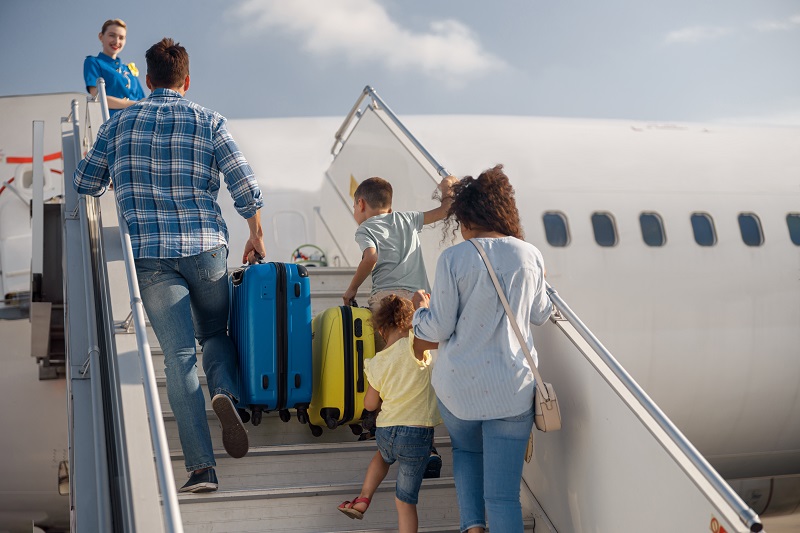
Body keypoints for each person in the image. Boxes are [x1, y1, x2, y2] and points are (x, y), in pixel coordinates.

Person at [74, 37, 266, 493]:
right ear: (186, 79)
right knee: (215, 334)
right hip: (205, 250)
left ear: (148, 79)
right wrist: (256, 234)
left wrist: (119, 181)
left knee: (178, 358)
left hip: (151, 257)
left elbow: (84, 181)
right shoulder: (209, 120)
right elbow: (245, 186)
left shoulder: (120, 125)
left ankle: (201, 469)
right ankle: (225, 391)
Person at [411, 165, 552, 533]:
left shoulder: (454, 259)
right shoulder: (530, 255)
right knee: (503, 497)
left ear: (468, 217)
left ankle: (472, 529)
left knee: (468, 452)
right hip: (512, 390)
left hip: (460, 390)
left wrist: (417, 314)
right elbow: (540, 313)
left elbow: (439, 327)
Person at [337, 295, 442, 533]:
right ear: (408, 324)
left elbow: (371, 404)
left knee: (382, 457)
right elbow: (439, 336)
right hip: (416, 435)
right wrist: (423, 309)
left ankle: (364, 497)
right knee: (404, 501)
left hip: (386, 432)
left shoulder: (376, 362)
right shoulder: (415, 343)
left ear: (381, 329)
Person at [342, 175, 456, 321]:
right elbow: (446, 210)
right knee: (418, 342)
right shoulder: (408, 219)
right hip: (418, 299)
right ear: (390, 209)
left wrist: (352, 289)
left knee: (389, 343)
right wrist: (447, 185)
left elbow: (371, 258)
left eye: (354, 208)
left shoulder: (365, 229)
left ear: (361, 203)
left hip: (387, 300)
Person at [84, 19, 146, 114]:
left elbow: (143, 100)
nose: (117, 41)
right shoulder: (93, 62)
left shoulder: (129, 70)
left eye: (121, 37)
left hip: (138, 120)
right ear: (101, 36)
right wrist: (132, 104)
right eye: (112, 35)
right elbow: (97, 97)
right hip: (113, 122)